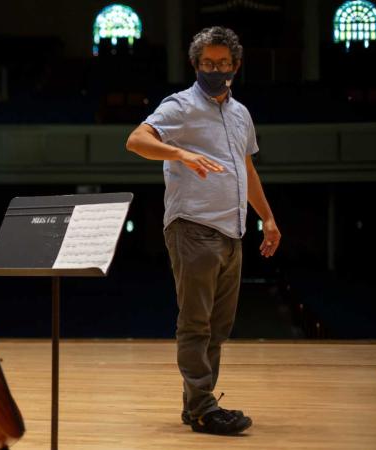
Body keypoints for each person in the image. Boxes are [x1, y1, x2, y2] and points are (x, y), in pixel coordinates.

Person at [126, 26, 281, 435]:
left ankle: (197, 404)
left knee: (218, 326)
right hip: (193, 227)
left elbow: (246, 171)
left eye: (224, 64)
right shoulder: (179, 106)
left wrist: (267, 217)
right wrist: (180, 152)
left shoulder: (241, 114)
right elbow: (136, 140)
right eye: (208, 63)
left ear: (236, 66)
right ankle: (203, 408)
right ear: (195, 65)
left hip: (232, 232)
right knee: (196, 323)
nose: (216, 70)